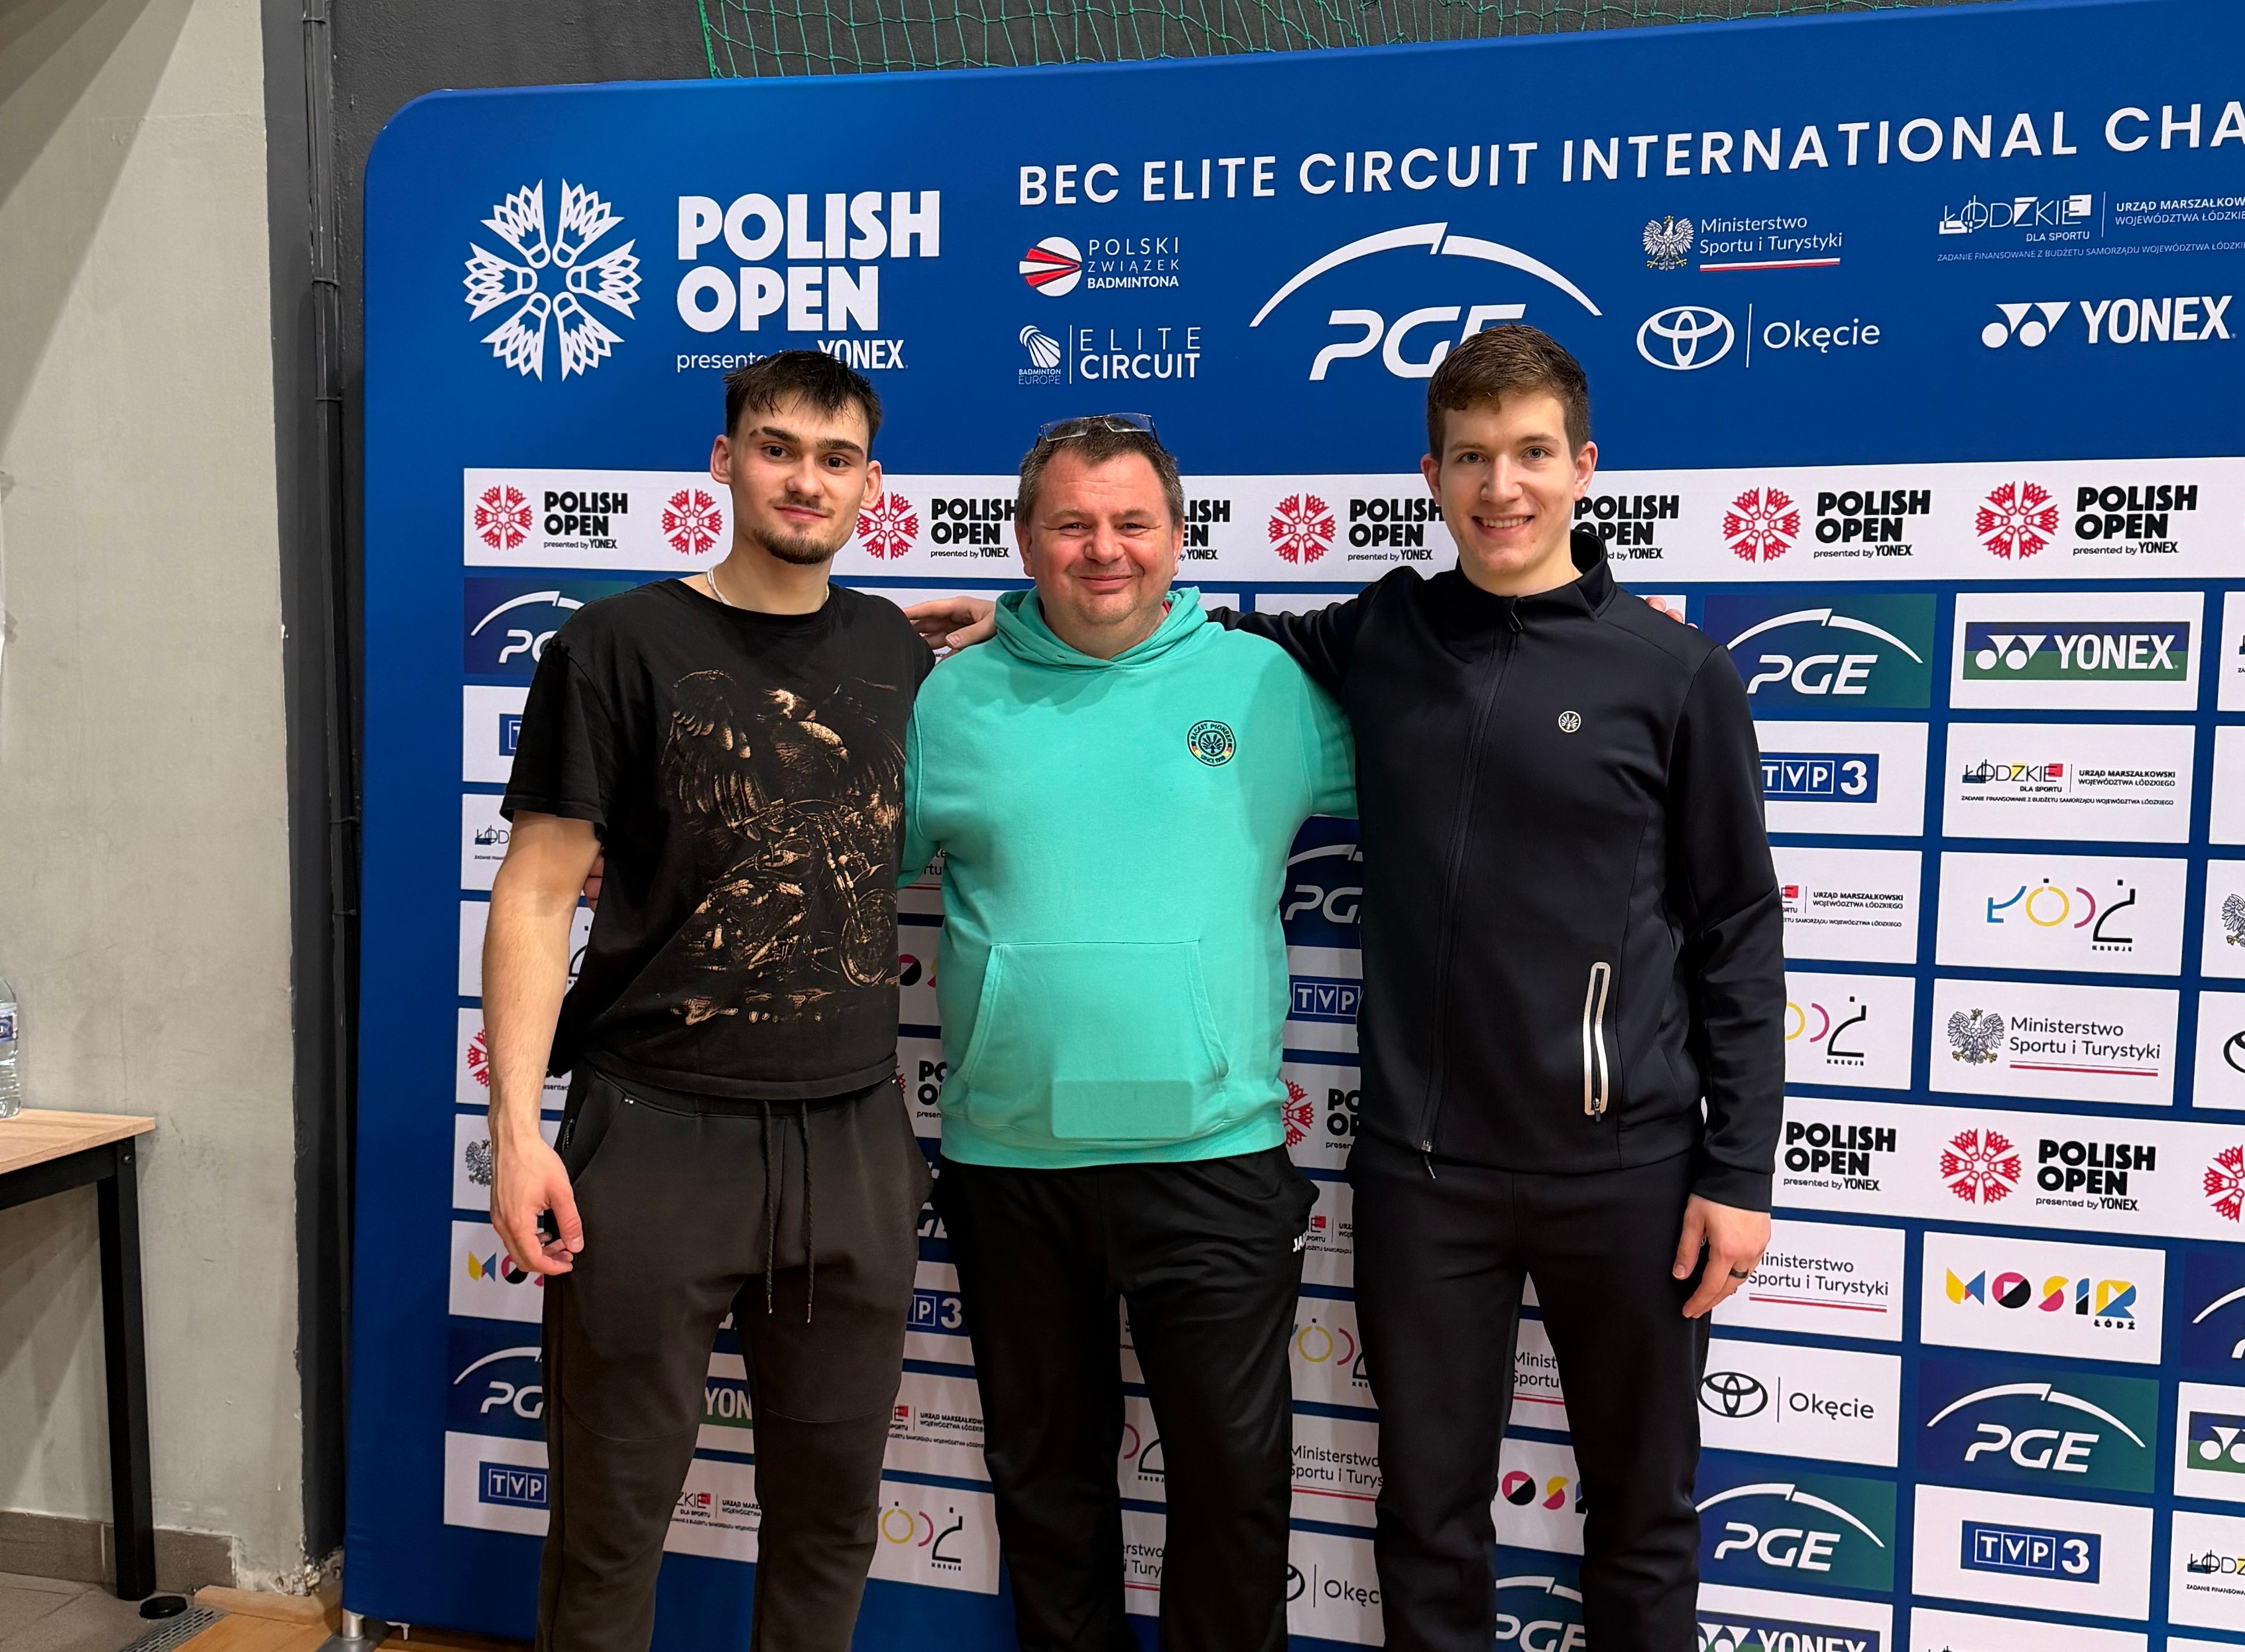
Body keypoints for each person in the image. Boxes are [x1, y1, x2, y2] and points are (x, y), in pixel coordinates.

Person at [909, 326, 1782, 1652]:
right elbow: (1177, 641)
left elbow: (1738, 926)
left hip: (1628, 1166)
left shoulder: (1671, 673)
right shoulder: (1384, 636)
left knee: (1643, 1515)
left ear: (1584, 467)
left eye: (1532, 454)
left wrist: (1742, 1167)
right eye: (1473, 457)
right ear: (1432, 475)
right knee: (1424, 1518)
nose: (1502, 485)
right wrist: (1018, 628)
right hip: (1419, 1174)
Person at [484, 351, 933, 1652]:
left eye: (836, 459)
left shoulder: (898, 653)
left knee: (831, 1524)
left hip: (852, 1137)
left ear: (872, 485)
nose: (806, 480)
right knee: (609, 1525)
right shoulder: (613, 645)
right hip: (655, 1134)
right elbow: (537, 892)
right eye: (778, 448)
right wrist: (515, 1134)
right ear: (725, 459)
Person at [901, 413, 1355, 1652]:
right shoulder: (948, 701)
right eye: (1073, 524)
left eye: (1131, 523)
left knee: (1234, 1492)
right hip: (1010, 1168)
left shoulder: (1263, 686)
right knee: (1045, 1489)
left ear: (1177, 538)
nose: (1104, 549)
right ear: (1024, 542)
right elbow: (831, 861)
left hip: (1213, 1161)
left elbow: (1455, 761)